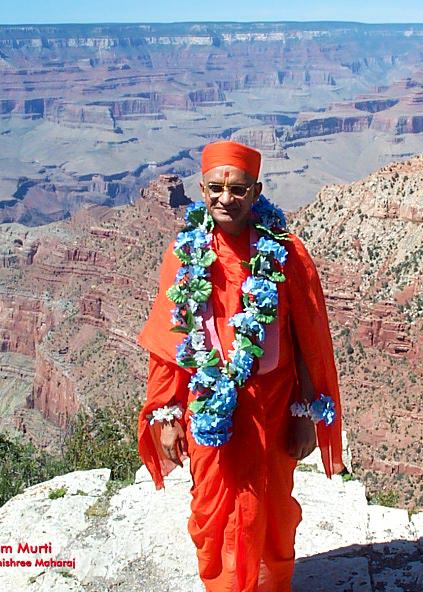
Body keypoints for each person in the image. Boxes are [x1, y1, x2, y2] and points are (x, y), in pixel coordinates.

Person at [135, 140, 345, 591]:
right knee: (213, 513)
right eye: (215, 189)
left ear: (256, 191)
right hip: (208, 409)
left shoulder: (286, 254)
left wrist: (307, 413)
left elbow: (305, 342)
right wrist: (168, 414)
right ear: (201, 189)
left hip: (272, 406)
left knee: (271, 511)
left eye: (238, 190)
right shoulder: (183, 256)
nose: (225, 199)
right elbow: (169, 346)